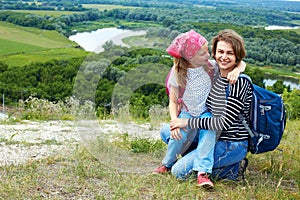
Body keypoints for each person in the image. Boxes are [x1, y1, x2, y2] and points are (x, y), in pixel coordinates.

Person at [153, 29, 246, 188]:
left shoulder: (210, 66)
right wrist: (175, 120)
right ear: (190, 57)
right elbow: (173, 101)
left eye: (208, 51)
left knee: (208, 135)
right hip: (188, 113)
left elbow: (240, 61)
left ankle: (203, 173)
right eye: (203, 53)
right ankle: (167, 164)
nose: (209, 55)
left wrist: (237, 70)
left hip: (207, 113)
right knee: (176, 134)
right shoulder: (177, 72)